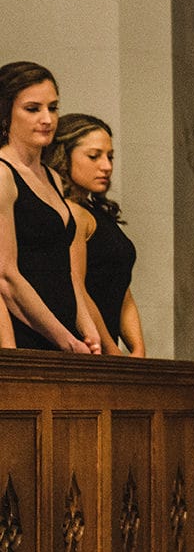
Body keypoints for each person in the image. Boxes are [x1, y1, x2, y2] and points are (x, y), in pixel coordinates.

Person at [0, 61, 96, 353]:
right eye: (33, 109)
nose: (47, 119)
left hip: (63, 337)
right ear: (6, 113)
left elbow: (64, 270)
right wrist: (64, 338)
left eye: (52, 108)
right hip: (27, 335)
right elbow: (6, 276)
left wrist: (87, 329)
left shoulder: (52, 177)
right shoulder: (3, 174)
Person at [49, 114, 145, 356]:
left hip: (108, 348)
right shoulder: (71, 213)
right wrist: (111, 349)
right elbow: (77, 287)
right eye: (94, 156)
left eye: (110, 157)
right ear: (64, 156)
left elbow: (121, 288)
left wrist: (138, 348)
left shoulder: (95, 211)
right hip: (86, 348)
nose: (107, 166)